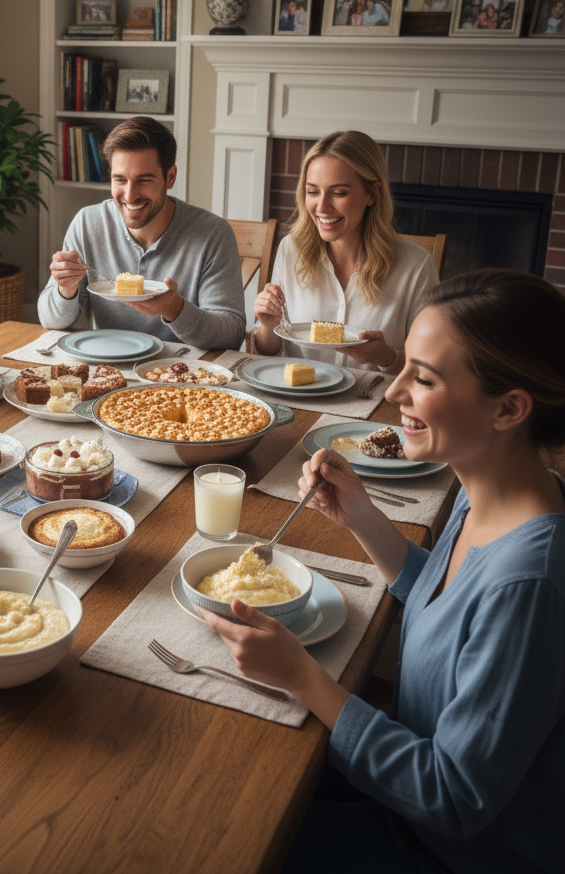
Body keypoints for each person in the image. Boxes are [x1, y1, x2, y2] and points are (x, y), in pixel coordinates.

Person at [203, 268, 565, 874]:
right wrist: (363, 519)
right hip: (401, 785)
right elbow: (449, 600)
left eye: (421, 378)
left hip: (443, 850)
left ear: (509, 409)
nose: (394, 392)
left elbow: (453, 798)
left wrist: (304, 678)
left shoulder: (530, 586)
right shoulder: (502, 492)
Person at [37, 116, 245, 351]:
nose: (129, 195)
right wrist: (65, 289)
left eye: (143, 180)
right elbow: (50, 320)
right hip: (108, 368)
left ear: (170, 177)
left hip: (182, 377)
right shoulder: (88, 223)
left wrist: (175, 309)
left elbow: (232, 334)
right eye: (120, 180)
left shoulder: (213, 234)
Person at [252, 130, 438, 371]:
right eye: (312, 191)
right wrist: (268, 326)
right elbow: (269, 356)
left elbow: (431, 368)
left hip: (376, 403)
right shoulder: (291, 250)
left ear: (373, 194)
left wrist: (386, 356)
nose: (322, 206)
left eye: (339, 193)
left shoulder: (416, 265)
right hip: (301, 400)